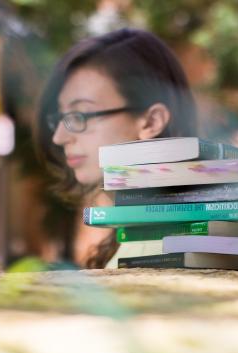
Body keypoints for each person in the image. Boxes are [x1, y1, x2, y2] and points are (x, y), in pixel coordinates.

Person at [34, 28, 198, 268]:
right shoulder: (136, 233)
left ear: (151, 122)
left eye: (80, 115)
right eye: (61, 117)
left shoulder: (168, 244)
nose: (59, 137)